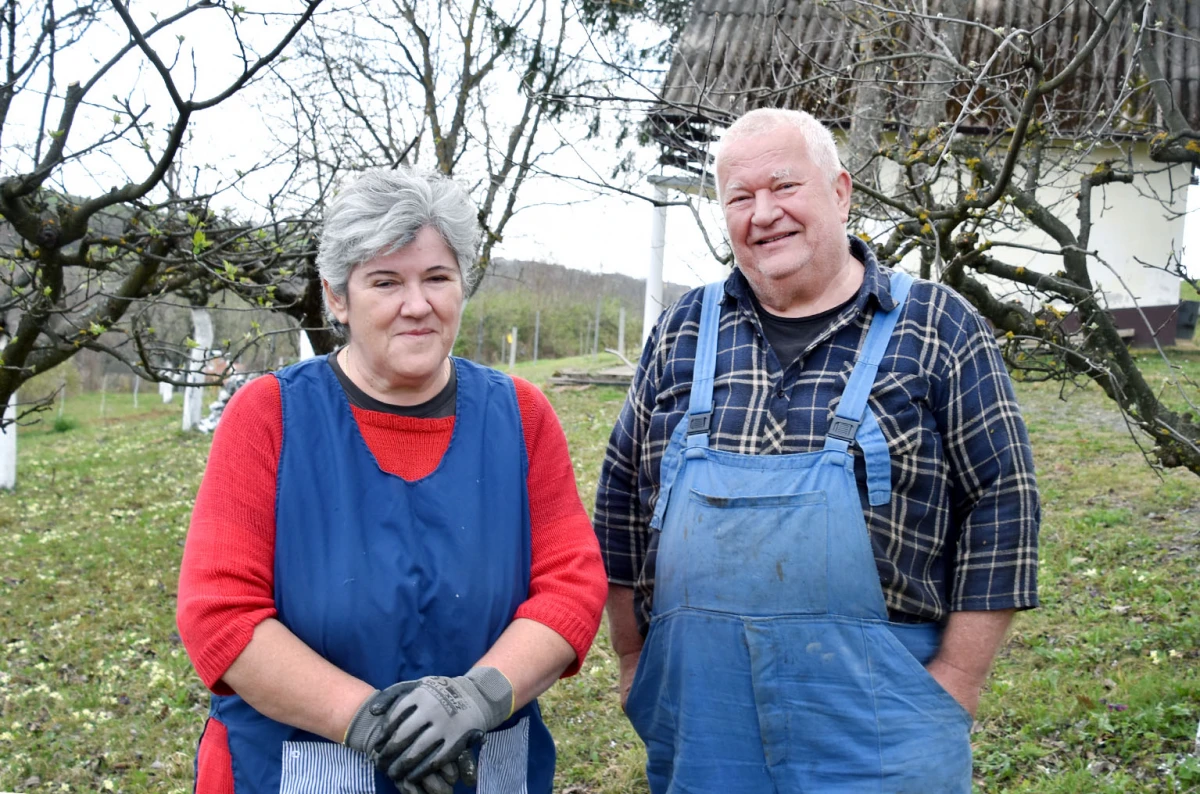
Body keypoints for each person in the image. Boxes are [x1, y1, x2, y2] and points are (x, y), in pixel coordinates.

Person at [594, 108, 1040, 792]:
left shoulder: (939, 325)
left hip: (882, 722)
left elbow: (1002, 503)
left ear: (840, 190)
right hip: (701, 721)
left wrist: (955, 681)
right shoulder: (682, 328)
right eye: (739, 198)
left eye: (784, 187)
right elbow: (621, 494)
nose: (762, 214)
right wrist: (631, 659)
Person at [178, 167, 608, 794]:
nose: (418, 304)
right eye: (386, 281)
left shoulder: (519, 416)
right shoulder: (268, 417)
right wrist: (370, 724)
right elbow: (221, 615)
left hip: (482, 769)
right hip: (296, 765)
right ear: (337, 296)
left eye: (437, 278)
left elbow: (571, 587)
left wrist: (476, 699)